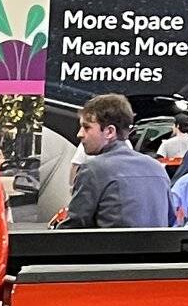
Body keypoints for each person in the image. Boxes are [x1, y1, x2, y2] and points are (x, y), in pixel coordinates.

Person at [64, 93, 172, 229]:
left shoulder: (93, 170)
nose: (79, 134)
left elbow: (72, 229)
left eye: (86, 127)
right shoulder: (157, 168)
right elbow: (171, 220)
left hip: (110, 249)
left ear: (109, 132)